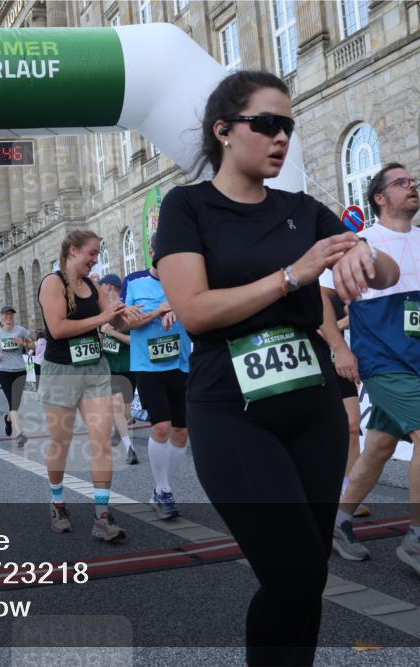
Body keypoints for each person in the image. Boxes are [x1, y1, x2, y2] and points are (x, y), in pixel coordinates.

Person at [154, 71, 398, 665]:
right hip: (231, 410)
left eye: (287, 125)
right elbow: (194, 311)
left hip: (311, 405)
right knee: (288, 571)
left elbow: (387, 274)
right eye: (266, 124)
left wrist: (366, 251)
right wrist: (293, 276)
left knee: (309, 573)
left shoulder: (302, 210)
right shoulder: (187, 206)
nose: (280, 136)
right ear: (224, 131)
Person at [329, 163, 420, 581]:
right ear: (379, 198)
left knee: (379, 450)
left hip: (414, 362)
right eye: (402, 183)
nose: (412, 188)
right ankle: (418, 539)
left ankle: (336, 523)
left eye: (414, 182)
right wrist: (339, 350)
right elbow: (323, 300)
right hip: (380, 361)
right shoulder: (363, 242)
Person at [37, 230, 143, 542]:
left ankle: (102, 515)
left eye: (97, 254)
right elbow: (57, 329)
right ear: (72, 250)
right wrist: (103, 318)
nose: (95, 259)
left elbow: (116, 322)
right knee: (61, 444)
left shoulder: (92, 285)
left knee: (101, 441)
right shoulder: (52, 283)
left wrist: (133, 315)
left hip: (96, 368)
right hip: (61, 371)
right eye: (92, 253)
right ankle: (58, 503)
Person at [122, 238, 193, 517]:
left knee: (181, 432)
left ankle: (162, 488)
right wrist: (158, 311)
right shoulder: (135, 283)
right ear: (152, 252)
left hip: (181, 364)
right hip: (148, 366)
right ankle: (163, 490)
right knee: (161, 427)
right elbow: (128, 323)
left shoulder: (186, 281)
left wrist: (178, 309)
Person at [318, 289, 370, 517]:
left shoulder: (344, 289)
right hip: (314, 364)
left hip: (341, 363)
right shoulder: (312, 288)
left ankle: (348, 494)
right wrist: (346, 321)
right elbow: (318, 331)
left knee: (352, 426)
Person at [96, 275, 139, 466]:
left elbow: (134, 341)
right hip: (110, 369)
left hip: (128, 366)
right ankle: (130, 448)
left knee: (127, 413)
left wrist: (112, 332)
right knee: (117, 407)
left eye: (101, 288)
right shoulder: (99, 312)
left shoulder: (125, 309)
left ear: (109, 288)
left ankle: (119, 430)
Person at [0, 306, 34, 447]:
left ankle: (8, 419)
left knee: (16, 404)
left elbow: (34, 346)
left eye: (11, 315)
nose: (9, 317)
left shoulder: (21, 330)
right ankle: (19, 433)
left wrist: (24, 343)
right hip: (4, 372)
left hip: (20, 371)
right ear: (1, 317)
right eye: (6, 315)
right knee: (13, 403)